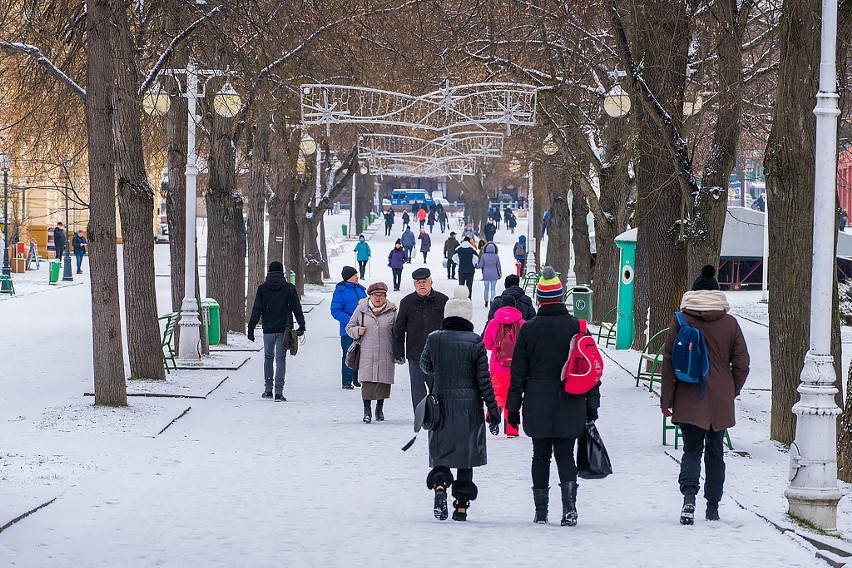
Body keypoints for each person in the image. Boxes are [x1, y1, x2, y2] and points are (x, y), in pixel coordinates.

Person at [506, 266, 601, 526]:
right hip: (571, 399)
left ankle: (541, 511)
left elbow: (518, 374)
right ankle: (569, 510)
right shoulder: (578, 327)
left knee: (540, 455)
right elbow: (591, 370)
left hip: (537, 399)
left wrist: (512, 410)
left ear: (539, 299)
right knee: (565, 455)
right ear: (561, 298)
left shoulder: (528, 329)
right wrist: (592, 407)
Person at [660, 265, 750, 525]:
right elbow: (743, 364)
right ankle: (713, 507)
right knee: (715, 452)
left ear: (694, 293)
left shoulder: (681, 320)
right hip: (720, 398)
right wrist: (731, 389)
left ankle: (689, 499)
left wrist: (667, 400)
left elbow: (669, 363)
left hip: (689, 396)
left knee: (691, 450)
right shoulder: (731, 324)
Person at [420, 285, 501, 522]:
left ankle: (440, 488)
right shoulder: (475, 342)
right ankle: (461, 508)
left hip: (440, 408)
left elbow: (425, 366)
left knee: (442, 454)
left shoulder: (434, 339)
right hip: (469, 411)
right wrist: (494, 412)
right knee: (465, 459)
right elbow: (484, 381)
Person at [247, 261, 306, 401]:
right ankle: (278, 392)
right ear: (282, 273)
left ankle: (268, 390)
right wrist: (302, 325)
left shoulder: (262, 289)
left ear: (269, 272)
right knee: (281, 359)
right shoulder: (289, 288)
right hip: (283, 330)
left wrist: (251, 327)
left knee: (268, 358)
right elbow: (297, 308)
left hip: (268, 329)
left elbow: (256, 309)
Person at [393, 268, 449, 411]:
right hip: (415, 353)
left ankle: (437, 414)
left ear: (431, 282)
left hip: (438, 354)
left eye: (424, 282)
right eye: (418, 282)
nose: (422, 285)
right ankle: (421, 415)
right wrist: (398, 351)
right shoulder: (407, 302)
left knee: (437, 387)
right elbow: (399, 329)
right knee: (417, 389)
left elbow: (450, 327)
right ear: (414, 285)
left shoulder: (443, 300)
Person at [347, 282, 397, 424]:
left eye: (381, 295)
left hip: (385, 352)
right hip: (366, 352)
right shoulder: (361, 310)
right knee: (368, 383)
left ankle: (379, 408)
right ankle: (367, 411)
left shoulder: (392, 311)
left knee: (383, 381)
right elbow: (349, 327)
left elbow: (397, 332)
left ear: (385, 297)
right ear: (370, 296)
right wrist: (357, 331)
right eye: (375, 295)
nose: (378, 298)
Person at [483, 296, 524, 437]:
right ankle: (512, 429)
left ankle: (492, 419)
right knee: (513, 397)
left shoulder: (493, 323)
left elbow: (487, 344)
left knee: (496, 395)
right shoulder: (522, 323)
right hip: (517, 368)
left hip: (497, 367)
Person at [331, 266, 367, 390]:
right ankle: (346, 380)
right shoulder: (340, 291)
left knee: (362, 353)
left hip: (363, 328)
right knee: (349, 353)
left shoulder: (361, 290)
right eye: (354, 275)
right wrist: (351, 321)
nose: (357, 277)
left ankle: (357, 377)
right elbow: (335, 310)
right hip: (348, 330)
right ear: (348, 278)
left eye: (357, 275)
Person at [452, 236, 479, 300]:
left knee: (461, 285)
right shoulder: (472, 249)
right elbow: (476, 258)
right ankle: (469, 298)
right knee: (469, 286)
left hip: (461, 270)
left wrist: (459, 263)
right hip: (470, 270)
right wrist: (473, 264)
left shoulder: (458, 249)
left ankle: (461, 298)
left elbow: (454, 258)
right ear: (469, 241)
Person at [477, 242, 502, 307]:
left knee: (486, 289)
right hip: (494, 275)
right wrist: (500, 274)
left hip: (486, 275)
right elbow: (498, 266)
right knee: (493, 289)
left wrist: (476, 266)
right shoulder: (496, 256)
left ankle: (486, 301)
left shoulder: (483, 256)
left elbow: (481, 265)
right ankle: (492, 301)